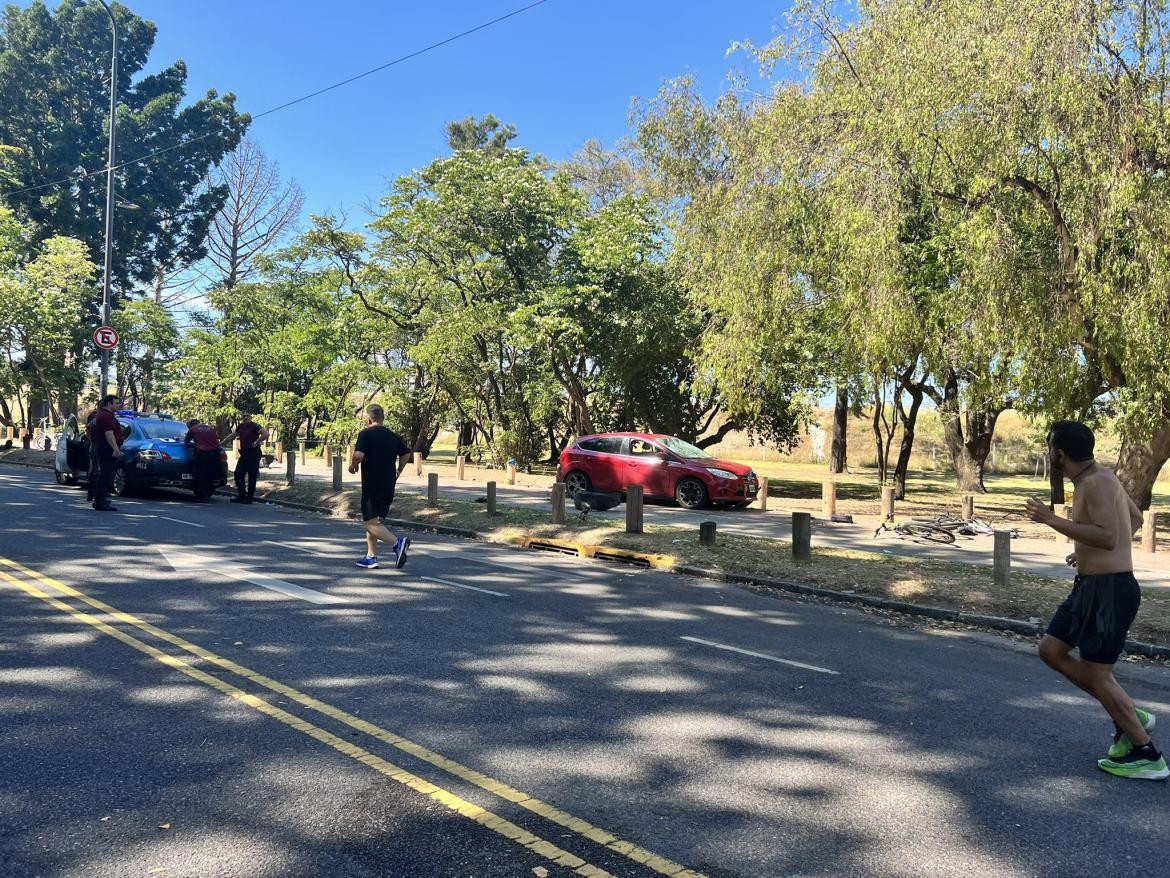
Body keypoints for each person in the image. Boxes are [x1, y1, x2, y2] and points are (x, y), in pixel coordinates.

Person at [1025, 420, 1167, 780]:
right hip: (1090, 587)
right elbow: (1132, 520)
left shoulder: (1096, 481)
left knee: (1099, 674)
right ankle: (1128, 711)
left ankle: (1146, 753)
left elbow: (1107, 536)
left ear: (1059, 454)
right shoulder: (1097, 478)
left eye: (1051, 449)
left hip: (1108, 591)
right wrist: (1085, 551)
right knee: (1051, 650)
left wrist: (1049, 519)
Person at [348, 404, 412, 569]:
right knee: (375, 521)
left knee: (369, 523)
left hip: (372, 484)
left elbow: (358, 455)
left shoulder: (366, 433)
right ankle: (371, 556)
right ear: (383, 418)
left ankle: (397, 543)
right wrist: (399, 470)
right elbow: (406, 453)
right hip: (389, 483)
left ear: (368, 418)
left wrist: (352, 465)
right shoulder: (392, 435)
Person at [223, 412, 267, 504]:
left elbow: (266, 433)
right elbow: (232, 436)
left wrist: (257, 441)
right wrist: (221, 444)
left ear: (250, 417)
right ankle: (242, 494)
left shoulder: (255, 426)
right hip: (244, 453)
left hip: (253, 453)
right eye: (244, 416)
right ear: (241, 418)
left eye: (247, 416)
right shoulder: (241, 426)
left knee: (252, 475)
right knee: (238, 474)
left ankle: (249, 497)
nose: (245, 417)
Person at [90, 395, 123, 511]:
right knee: (106, 474)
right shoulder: (106, 416)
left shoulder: (99, 414)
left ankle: (99, 499)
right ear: (109, 404)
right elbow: (109, 434)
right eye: (117, 403)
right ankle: (100, 501)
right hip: (106, 448)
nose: (119, 405)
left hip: (100, 446)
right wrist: (115, 448)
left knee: (104, 473)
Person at [184, 418, 222, 502]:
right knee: (210, 475)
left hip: (203, 454)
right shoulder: (210, 428)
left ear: (190, 425)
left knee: (200, 474)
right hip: (214, 454)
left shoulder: (193, 429)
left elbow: (186, 441)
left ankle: (202, 495)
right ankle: (208, 494)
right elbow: (217, 440)